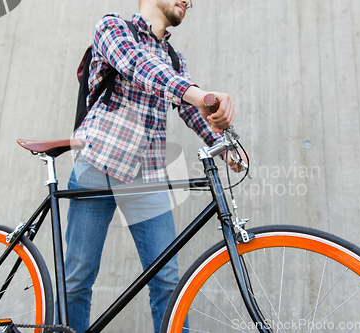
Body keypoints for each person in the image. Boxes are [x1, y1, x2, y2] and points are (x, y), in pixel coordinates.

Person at [63, 0, 243, 332]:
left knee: (168, 282)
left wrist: (224, 146)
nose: (188, 1)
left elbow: (191, 110)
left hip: (148, 174)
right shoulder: (112, 27)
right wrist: (198, 94)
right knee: (77, 277)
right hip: (97, 163)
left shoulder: (175, 59)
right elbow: (138, 67)